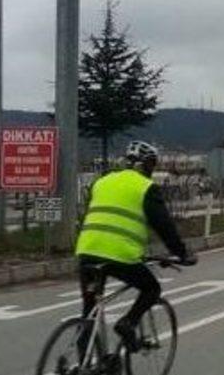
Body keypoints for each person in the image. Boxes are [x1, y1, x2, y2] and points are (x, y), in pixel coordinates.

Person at [75, 140, 196, 352]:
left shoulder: (102, 181)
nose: (152, 169)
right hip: (119, 255)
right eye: (152, 164)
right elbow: (164, 226)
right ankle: (128, 323)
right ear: (146, 164)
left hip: (87, 250)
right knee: (152, 288)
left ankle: (83, 364)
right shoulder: (146, 187)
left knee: (90, 309)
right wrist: (182, 253)